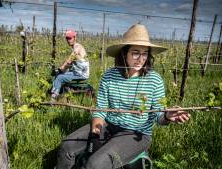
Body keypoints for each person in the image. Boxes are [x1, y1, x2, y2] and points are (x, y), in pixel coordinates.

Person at [55, 24, 190, 169]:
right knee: (66, 148)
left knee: (95, 164)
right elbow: (101, 110)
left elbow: (158, 116)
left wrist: (167, 116)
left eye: (145, 53)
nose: (141, 59)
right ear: (124, 53)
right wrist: (95, 133)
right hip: (108, 125)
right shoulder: (109, 76)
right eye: (136, 53)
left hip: (136, 133)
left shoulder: (154, 80)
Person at [51, 29, 89, 100]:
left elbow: (70, 59)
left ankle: (53, 98)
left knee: (60, 78)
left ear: (75, 37)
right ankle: (57, 93)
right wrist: (61, 71)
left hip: (81, 74)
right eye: (67, 38)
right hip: (77, 72)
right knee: (58, 75)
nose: (68, 40)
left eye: (70, 38)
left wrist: (60, 69)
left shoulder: (78, 47)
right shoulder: (75, 48)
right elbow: (69, 64)